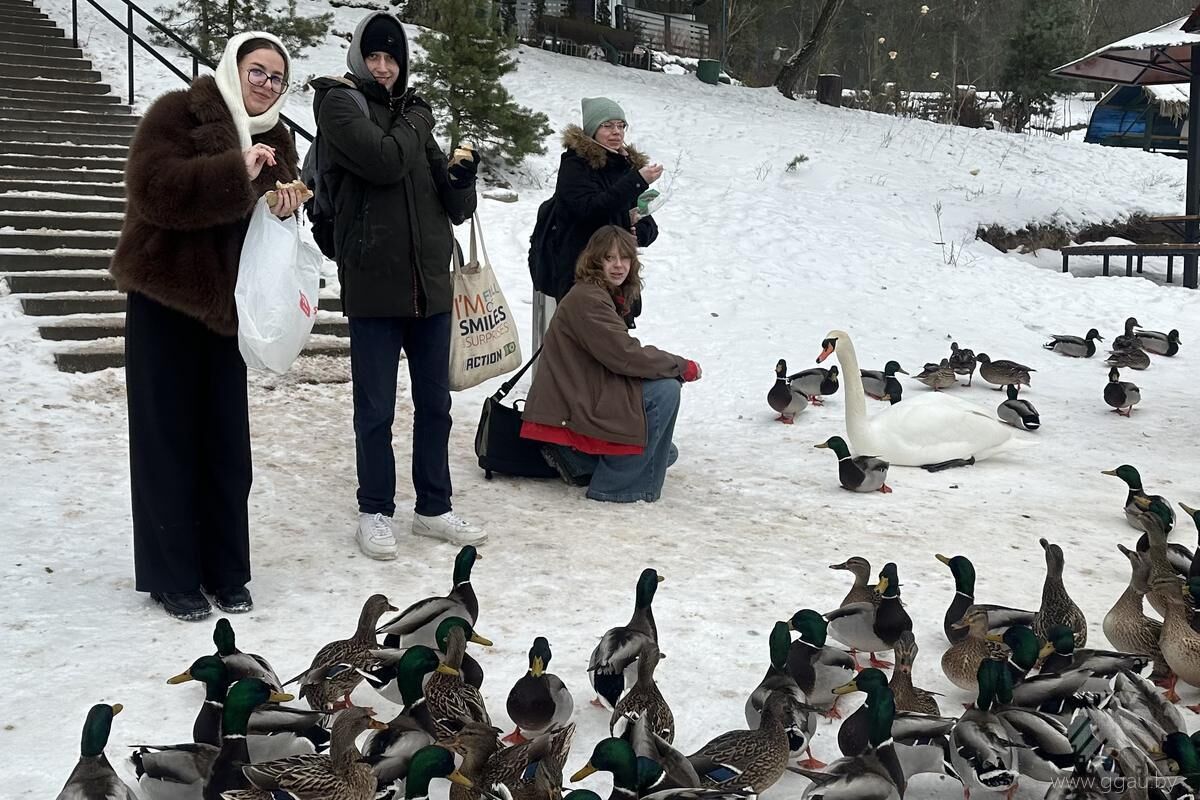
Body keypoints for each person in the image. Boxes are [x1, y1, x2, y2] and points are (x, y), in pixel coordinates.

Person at [110, 32, 303, 621]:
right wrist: (231, 171)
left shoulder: (278, 137)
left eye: (277, 78)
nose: (266, 84)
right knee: (166, 439)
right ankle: (172, 575)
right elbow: (151, 190)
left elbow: (268, 219)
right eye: (258, 71)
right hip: (164, 297)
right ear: (233, 67)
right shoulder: (180, 112)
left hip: (226, 311)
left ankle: (225, 569)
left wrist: (287, 201)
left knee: (225, 443)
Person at [311, 12, 485, 560]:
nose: (383, 68)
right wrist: (419, 119)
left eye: (392, 59)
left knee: (436, 406)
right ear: (358, 58)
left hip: (429, 287)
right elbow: (385, 163)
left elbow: (455, 208)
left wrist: (462, 178)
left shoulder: (412, 117)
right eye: (374, 57)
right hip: (373, 286)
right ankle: (375, 510)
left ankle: (433, 507)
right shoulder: (339, 105)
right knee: (377, 410)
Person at [520, 226, 701, 503]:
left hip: (584, 392)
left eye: (625, 258)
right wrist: (680, 365)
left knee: (666, 451)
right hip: (575, 401)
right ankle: (616, 487)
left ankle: (580, 463)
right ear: (595, 261)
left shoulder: (597, 294)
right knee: (665, 391)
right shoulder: (588, 299)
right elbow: (625, 355)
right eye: (609, 258)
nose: (619, 266)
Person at [531, 97, 663, 343]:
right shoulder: (576, 164)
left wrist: (639, 232)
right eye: (608, 126)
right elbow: (589, 210)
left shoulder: (626, 166)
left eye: (621, 126)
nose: (616, 132)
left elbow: (647, 220)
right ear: (592, 129)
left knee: (614, 342)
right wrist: (636, 181)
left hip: (618, 273)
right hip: (581, 271)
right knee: (582, 344)